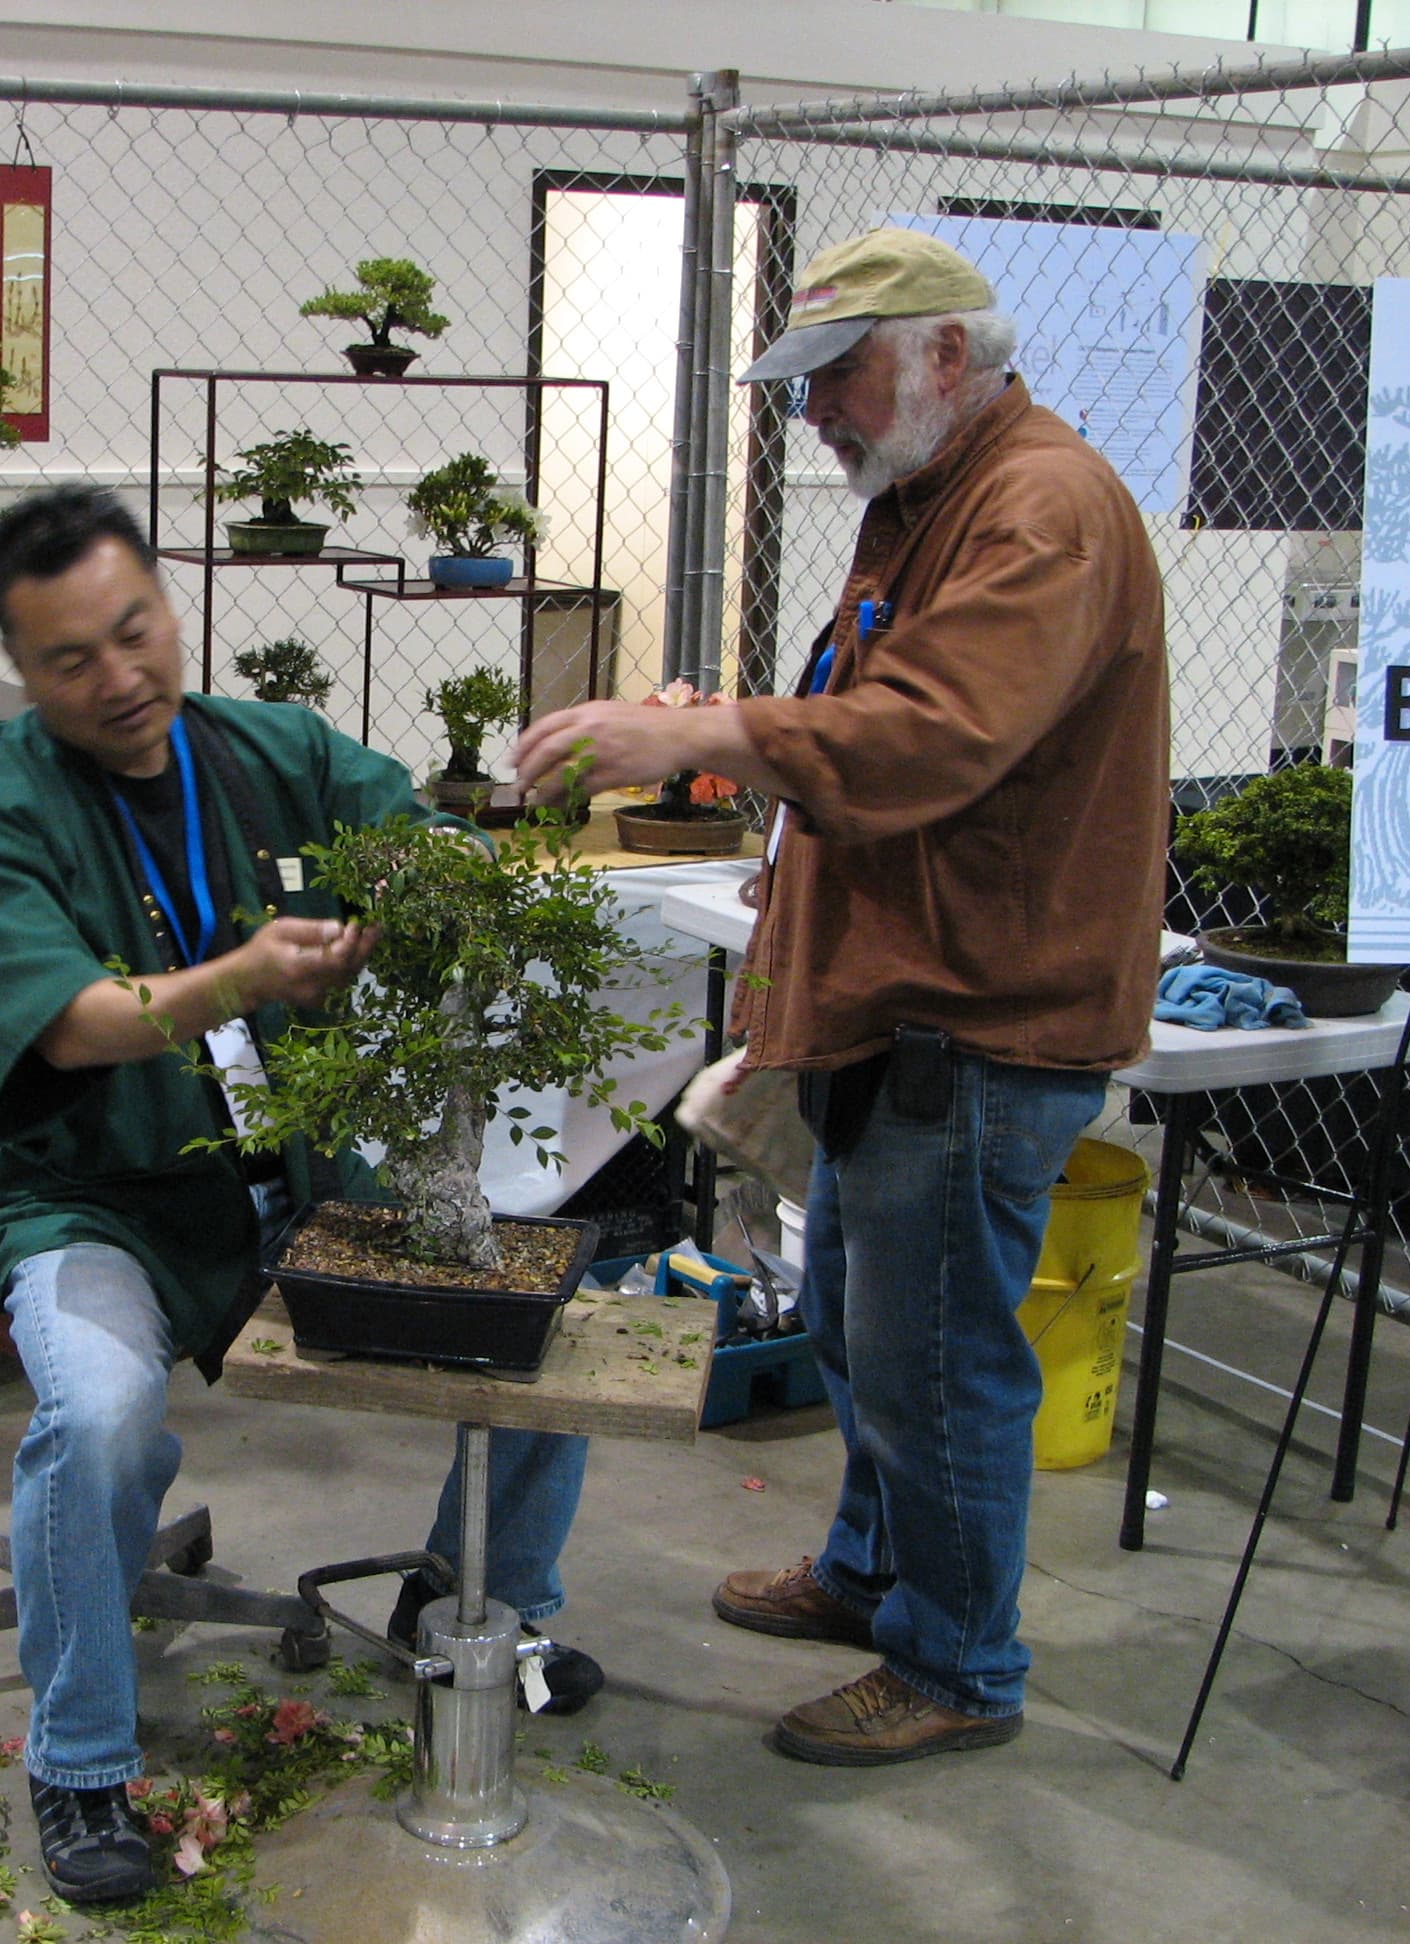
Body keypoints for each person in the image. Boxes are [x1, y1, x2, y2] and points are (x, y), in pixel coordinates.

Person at [515, 227, 1169, 1767]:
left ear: (949, 353)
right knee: (872, 1327)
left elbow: (931, 737)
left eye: (841, 380)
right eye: (805, 389)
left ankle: (955, 1664)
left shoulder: (1041, 510)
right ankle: (876, 1575)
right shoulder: (933, 493)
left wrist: (725, 736)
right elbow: (873, 711)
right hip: (912, 989)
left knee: (933, 1351)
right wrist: (767, 776)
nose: (817, 418)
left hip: (982, 1009)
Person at [0, 484, 599, 1903]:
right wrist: (235, 980)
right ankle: (83, 1760)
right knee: (98, 1416)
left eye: (136, 631)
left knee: (556, 1309)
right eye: (71, 662)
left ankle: (469, 1608)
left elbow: (400, 823)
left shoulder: (263, 752)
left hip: (292, 1174)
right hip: (95, 1203)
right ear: (24, 676)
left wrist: (437, 876)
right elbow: (72, 1024)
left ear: (168, 606)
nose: (120, 679)